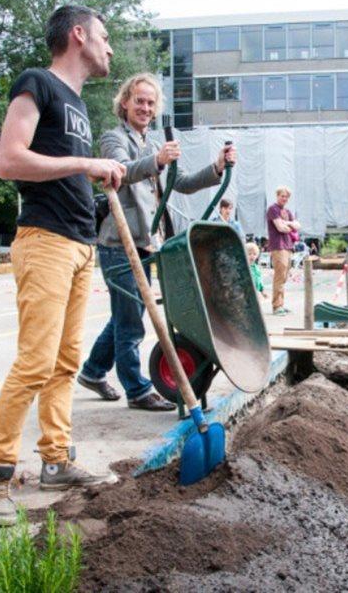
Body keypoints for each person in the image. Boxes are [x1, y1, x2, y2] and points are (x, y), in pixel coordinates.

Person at [0, 5, 127, 527]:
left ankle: (56, 460)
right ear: (79, 35)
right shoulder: (37, 83)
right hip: (44, 242)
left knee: (65, 364)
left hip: (80, 245)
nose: (110, 48)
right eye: (104, 38)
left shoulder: (81, 106)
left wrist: (98, 187)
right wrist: (86, 164)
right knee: (35, 362)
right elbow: (9, 161)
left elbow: (62, 170)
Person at [77, 72, 235, 411]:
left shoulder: (150, 144)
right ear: (125, 103)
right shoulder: (113, 138)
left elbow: (183, 182)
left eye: (150, 103)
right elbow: (120, 170)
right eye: (139, 101)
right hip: (119, 243)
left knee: (127, 312)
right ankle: (136, 389)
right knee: (131, 317)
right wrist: (157, 161)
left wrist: (217, 167)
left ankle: (92, 370)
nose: (145, 108)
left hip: (146, 243)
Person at [266, 186, 300, 316]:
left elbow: (298, 226)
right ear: (277, 195)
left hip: (288, 246)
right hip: (278, 246)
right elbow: (281, 228)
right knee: (280, 275)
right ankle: (277, 306)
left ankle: (281, 304)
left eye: (286, 196)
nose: (284, 198)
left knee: (284, 276)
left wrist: (288, 225)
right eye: (282, 196)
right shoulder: (273, 209)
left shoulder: (287, 211)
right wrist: (290, 225)